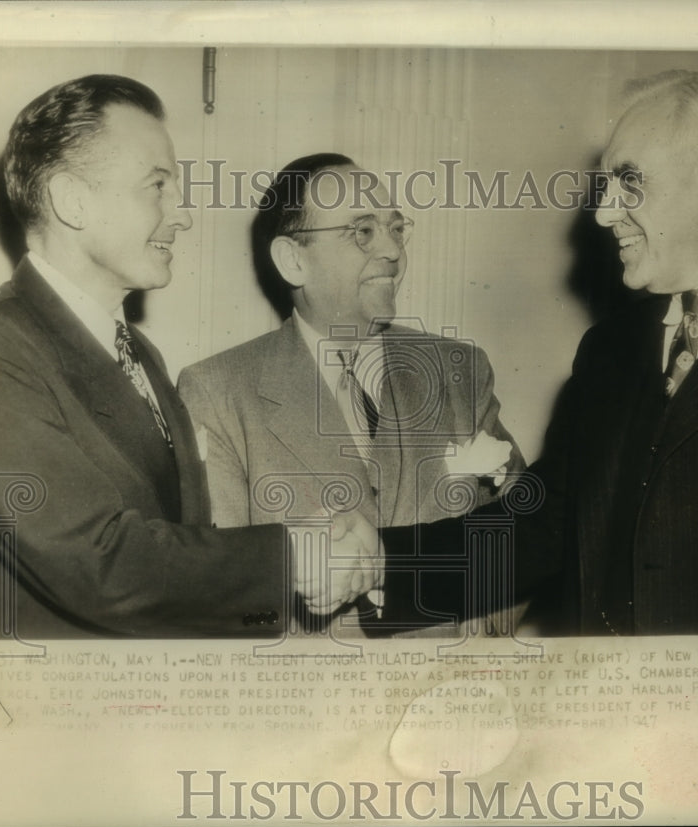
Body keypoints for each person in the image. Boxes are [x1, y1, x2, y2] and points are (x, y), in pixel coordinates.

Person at [381, 70, 698, 636]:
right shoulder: (609, 347)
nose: (604, 214)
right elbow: (543, 527)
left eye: (629, 183)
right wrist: (379, 565)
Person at [0, 76, 378, 640]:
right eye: (157, 186)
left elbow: (179, 545)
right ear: (71, 200)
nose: (181, 215)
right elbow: (100, 565)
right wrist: (292, 556)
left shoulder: (140, 353)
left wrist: (307, 543)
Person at [178, 153, 524, 632]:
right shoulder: (217, 392)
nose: (392, 252)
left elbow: (525, 533)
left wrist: (481, 637)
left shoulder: (459, 370)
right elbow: (227, 595)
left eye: (396, 228)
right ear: (293, 260)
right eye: (362, 231)